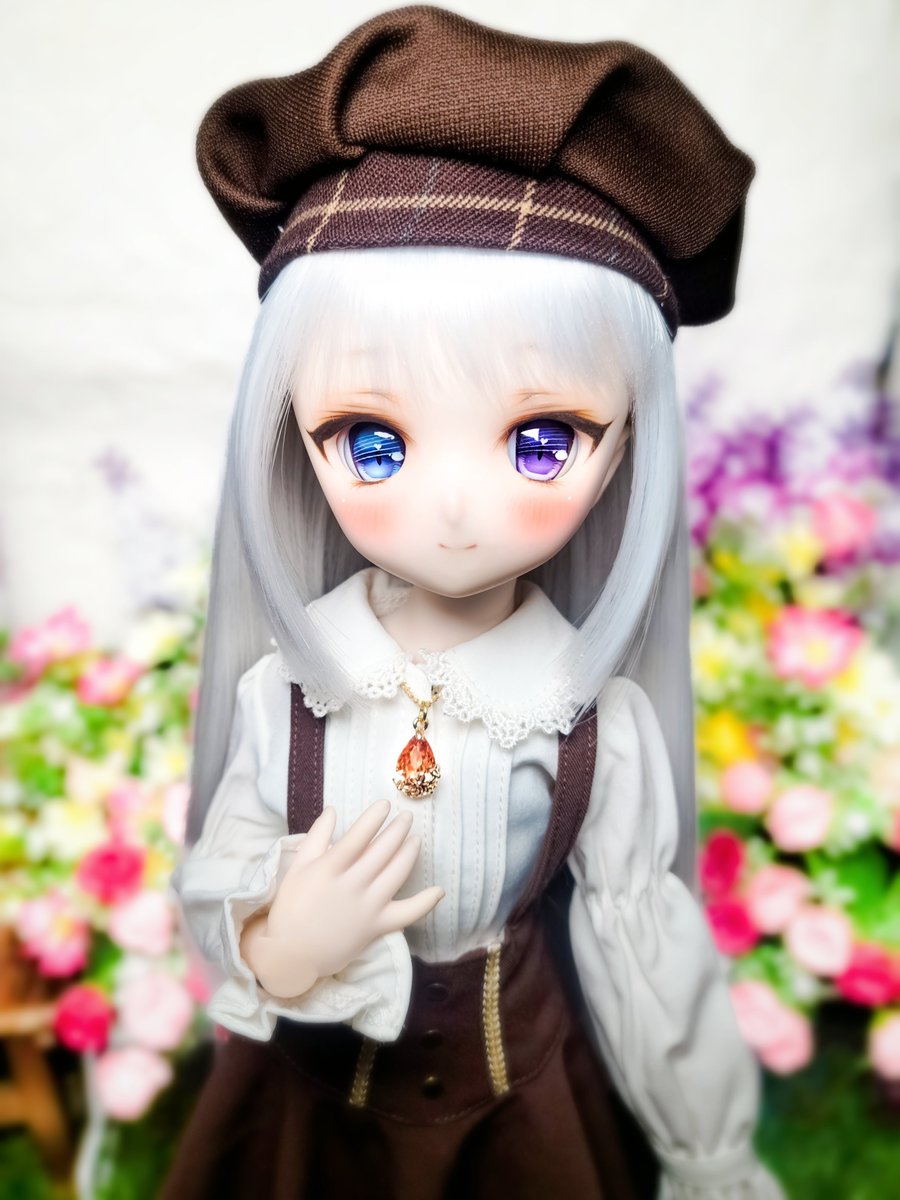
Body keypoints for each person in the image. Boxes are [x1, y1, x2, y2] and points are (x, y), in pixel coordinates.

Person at [164, 7, 783, 1198]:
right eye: (372, 442)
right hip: (314, 1114)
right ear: (292, 435)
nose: (454, 510)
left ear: (626, 445)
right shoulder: (284, 696)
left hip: (521, 1111)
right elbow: (223, 871)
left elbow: (640, 943)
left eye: (543, 442)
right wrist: (281, 944)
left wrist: (710, 1157)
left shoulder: (592, 724)